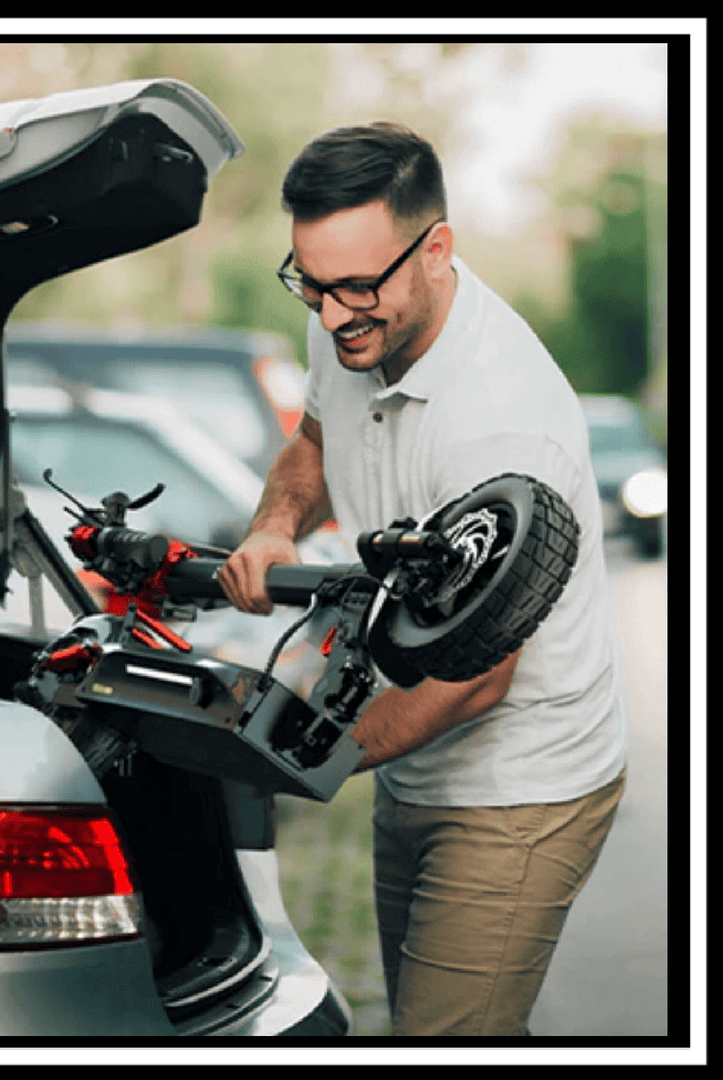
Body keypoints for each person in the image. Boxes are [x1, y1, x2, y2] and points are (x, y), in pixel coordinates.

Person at [217, 122, 628, 1037]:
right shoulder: (348, 318)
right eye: (311, 284)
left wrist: (303, 758)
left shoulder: (501, 425)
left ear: (436, 247)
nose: (330, 315)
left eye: (357, 286)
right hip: (423, 764)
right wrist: (276, 527)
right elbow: (316, 439)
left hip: (522, 777)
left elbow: (477, 675)